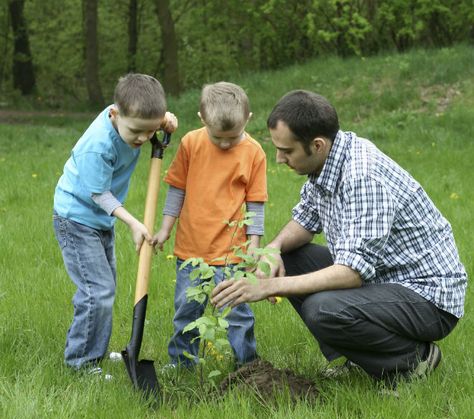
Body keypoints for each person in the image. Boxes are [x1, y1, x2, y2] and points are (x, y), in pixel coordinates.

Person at [211, 90, 467, 385]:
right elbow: (306, 219)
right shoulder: (328, 160)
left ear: (317, 145)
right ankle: (361, 358)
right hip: (385, 278)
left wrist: (271, 286)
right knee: (290, 257)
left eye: (287, 150)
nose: (279, 159)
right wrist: (272, 249)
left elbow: (352, 273)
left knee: (323, 310)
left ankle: (413, 360)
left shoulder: (362, 177)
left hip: (427, 298)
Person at [53, 73, 177, 372]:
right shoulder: (98, 146)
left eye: (150, 132)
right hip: (77, 217)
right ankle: (81, 362)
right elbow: (99, 195)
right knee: (98, 291)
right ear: (114, 114)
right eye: (137, 132)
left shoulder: (134, 116)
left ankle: (94, 351)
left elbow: (154, 122)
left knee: (105, 288)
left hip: (98, 222)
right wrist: (133, 223)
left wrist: (167, 123)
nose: (143, 139)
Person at [153, 81, 267, 369]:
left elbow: (255, 205)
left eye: (234, 136)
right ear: (203, 120)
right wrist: (165, 229)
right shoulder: (191, 143)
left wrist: (254, 248)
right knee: (186, 310)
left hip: (232, 253)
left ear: (247, 120)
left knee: (237, 313)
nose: (226, 144)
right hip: (190, 250)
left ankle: (248, 366)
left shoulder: (254, 153)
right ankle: (182, 363)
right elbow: (177, 189)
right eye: (219, 138)